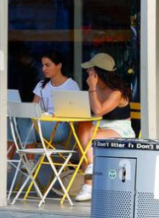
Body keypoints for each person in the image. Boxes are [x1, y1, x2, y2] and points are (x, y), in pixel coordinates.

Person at [74, 52, 135, 202]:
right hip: (99, 125)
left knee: (90, 140)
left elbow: (99, 110)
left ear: (99, 72)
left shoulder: (117, 92)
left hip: (120, 128)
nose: (88, 72)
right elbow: (91, 112)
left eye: (91, 69)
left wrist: (92, 88)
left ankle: (88, 184)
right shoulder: (95, 88)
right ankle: (91, 166)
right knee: (82, 127)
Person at [15, 51, 79, 146]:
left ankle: (28, 159)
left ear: (59, 66)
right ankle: (12, 157)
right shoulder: (41, 85)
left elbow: (76, 113)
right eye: (43, 65)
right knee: (10, 120)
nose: (44, 68)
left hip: (59, 128)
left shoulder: (71, 85)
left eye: (47, 65)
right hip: (40, 124)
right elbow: (33, 108)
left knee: (23, 123)